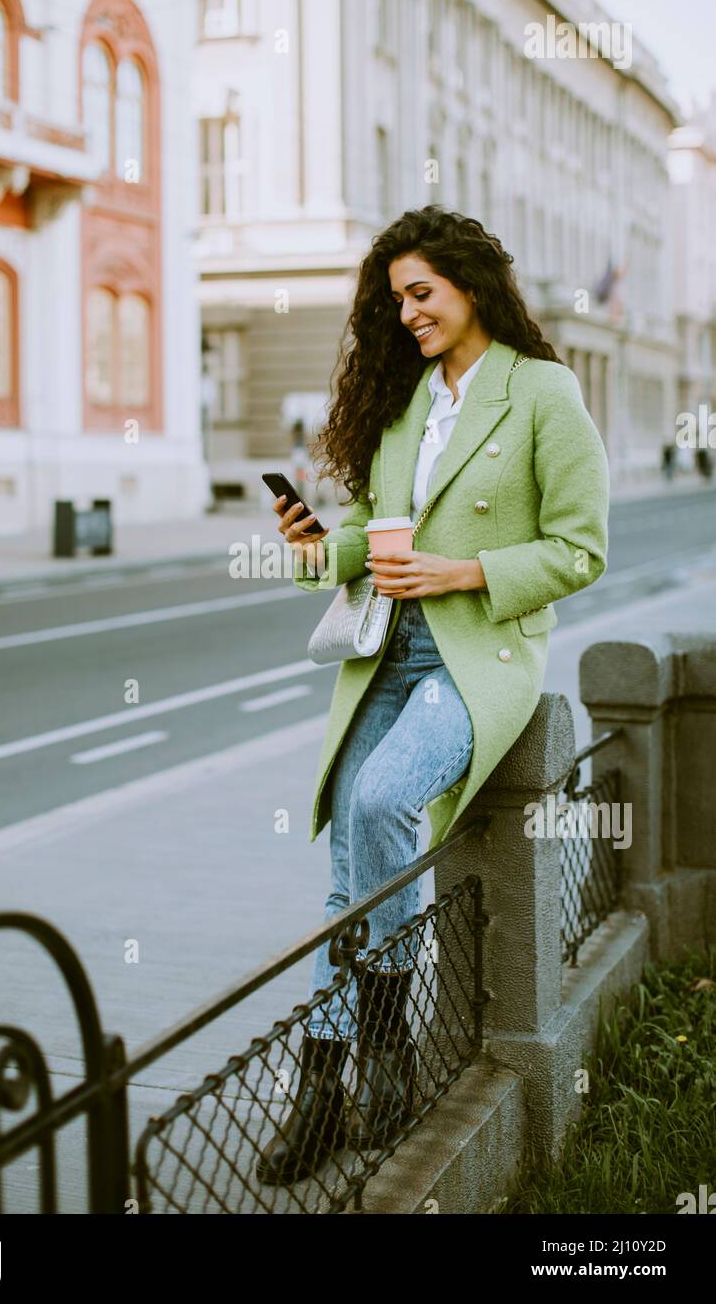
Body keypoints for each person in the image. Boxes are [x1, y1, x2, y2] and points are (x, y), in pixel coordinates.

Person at [255, 205, 610, 1188]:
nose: (405, 312)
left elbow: (580, 548)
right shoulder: (407, 401)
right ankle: (326, 1091)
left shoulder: (540, 391)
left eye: (420, 293)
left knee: (378, 802)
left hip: (474, 659)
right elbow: (376, 528)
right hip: (383, 653)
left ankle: (392, 1060)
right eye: (394, 298)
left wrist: (462, 574)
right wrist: (315, 546)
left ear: (470, 285)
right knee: (343, 880)